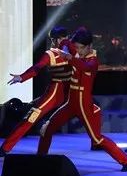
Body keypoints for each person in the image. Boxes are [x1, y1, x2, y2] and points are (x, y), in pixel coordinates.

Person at [37, 28, 127, 171]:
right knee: (47, 129)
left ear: (89, 46)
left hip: (83, 104)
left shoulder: (93, 61)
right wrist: (66, 44)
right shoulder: (76, 53)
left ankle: (126, 161)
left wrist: (69, 57)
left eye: (81, 48)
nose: (78, 50)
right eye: (76, 47)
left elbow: (84, 67)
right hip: (71, 103)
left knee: (96, 139)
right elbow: (67, 43)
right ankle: (39, 161)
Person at [1, 27, 73, 156]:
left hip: (73, 92)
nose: (63, 41)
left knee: (93, 113)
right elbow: (37, 68)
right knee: (31, 117)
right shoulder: (50, 54)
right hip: (55, 93)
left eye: (65, 38)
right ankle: (5, 148)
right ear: (55, 40)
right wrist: (21, 77)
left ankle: (99, 144)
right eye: (61, 39)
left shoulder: (74, 51)